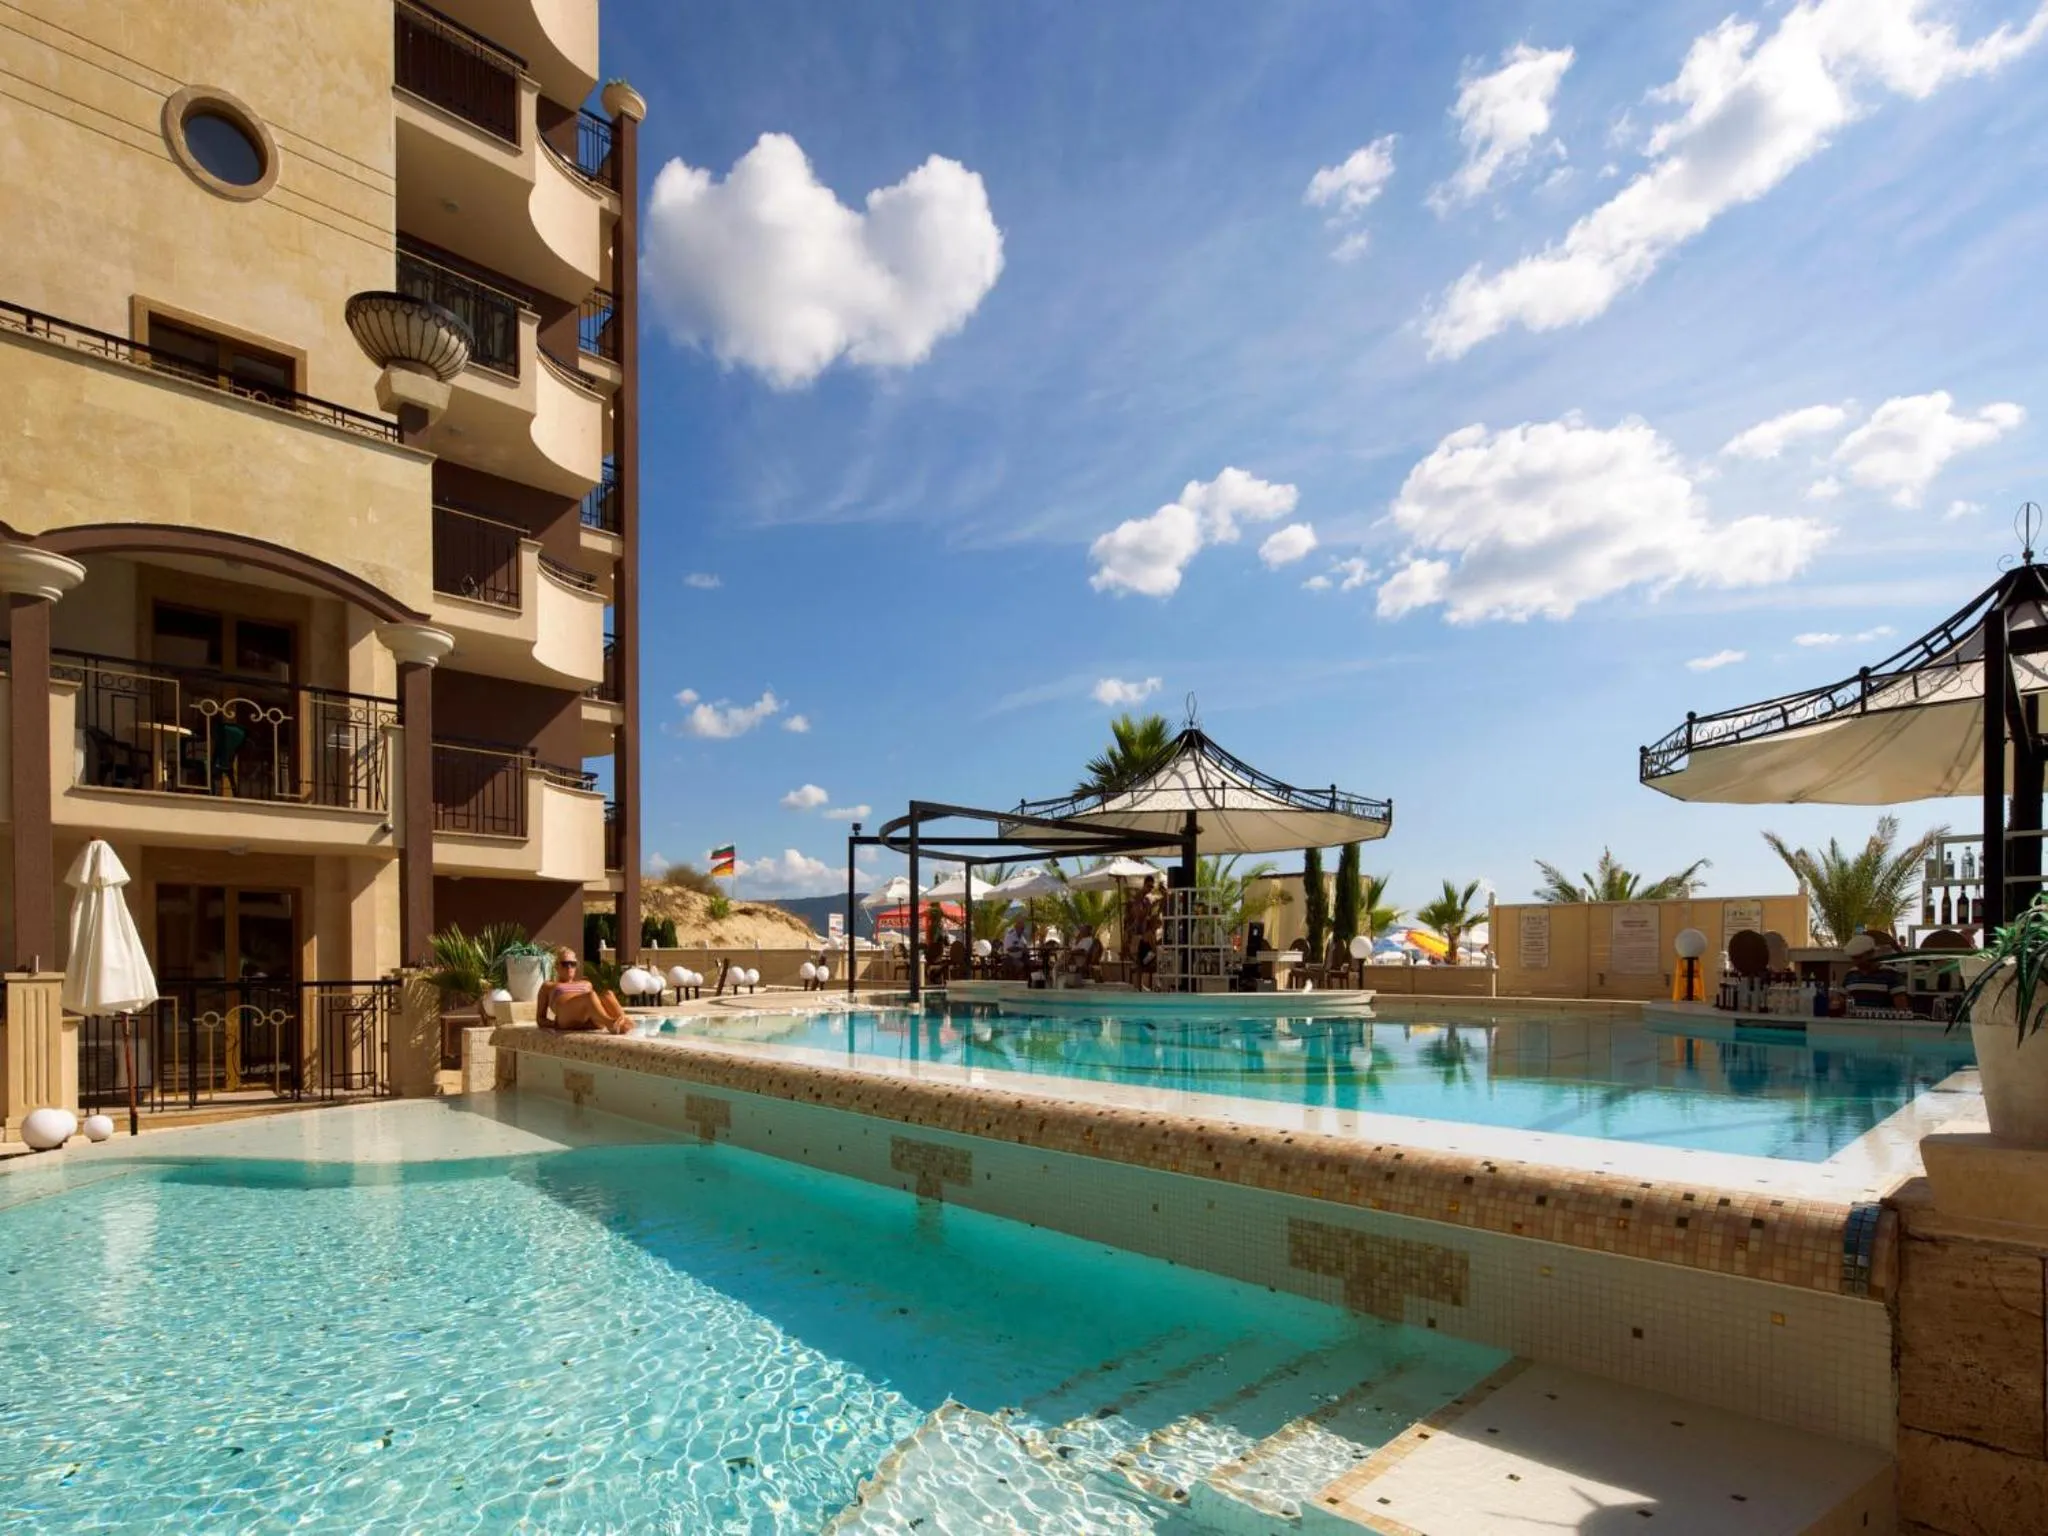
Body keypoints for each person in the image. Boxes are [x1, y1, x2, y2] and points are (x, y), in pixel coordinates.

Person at [537, 948, 629, 1033]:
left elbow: (595, 1004)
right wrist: (554, 1024)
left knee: (608, 994)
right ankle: (609, 1023)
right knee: (590, 996)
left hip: (589, 1020)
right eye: (565, 964)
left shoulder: (586, 983)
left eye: (573, 964)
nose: (569, 967)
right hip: (565, 1017)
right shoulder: (548, 986)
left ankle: (623, 1022)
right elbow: (540, 1018)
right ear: (556, 966)